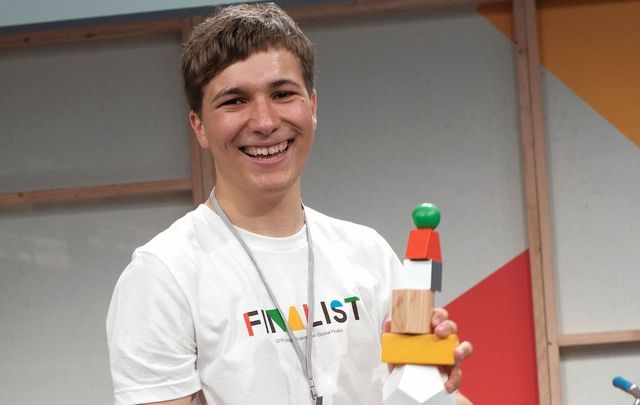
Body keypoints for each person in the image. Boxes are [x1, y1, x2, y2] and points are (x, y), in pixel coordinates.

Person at [106, 3, 472, 404]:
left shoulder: (367, 253)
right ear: (199, 126)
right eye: (234, 101)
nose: (264, 121)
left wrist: (427, 383)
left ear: (312, 107)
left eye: (282, 94)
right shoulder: (164, 275)